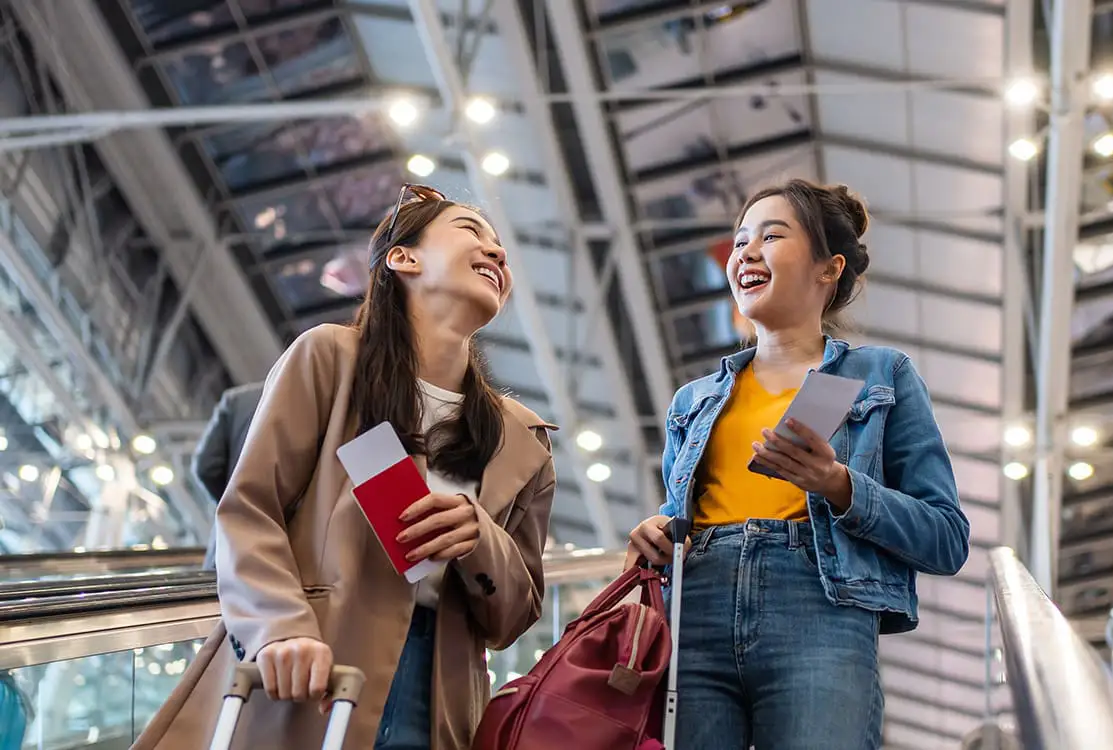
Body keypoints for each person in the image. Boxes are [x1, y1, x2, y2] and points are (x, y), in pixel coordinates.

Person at [133, 184, 558, 750]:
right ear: (402, 258)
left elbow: (515, 615)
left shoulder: (520, 437)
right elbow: (250, 510)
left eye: (501, 246)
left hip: (436, 697)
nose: (497, 253)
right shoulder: (331, 359)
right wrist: (278, 630)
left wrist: (480, 538)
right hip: (306, 663)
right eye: (470, 232)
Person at [626, 179, 971, 749]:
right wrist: (657, 531)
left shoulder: (879, 377)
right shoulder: (693, 401)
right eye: (739, 242)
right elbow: (676, 515)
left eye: (771, 235)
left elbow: (946, 538)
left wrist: (839, 486)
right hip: (695, 612)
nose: (745, 253)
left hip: (821, 611)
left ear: (827, 269)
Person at [191, 381, 262, 569]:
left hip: (228, 549)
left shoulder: (238, 400)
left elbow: (206, 467)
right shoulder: (316, 408)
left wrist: (235, 502)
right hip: (285, 563)